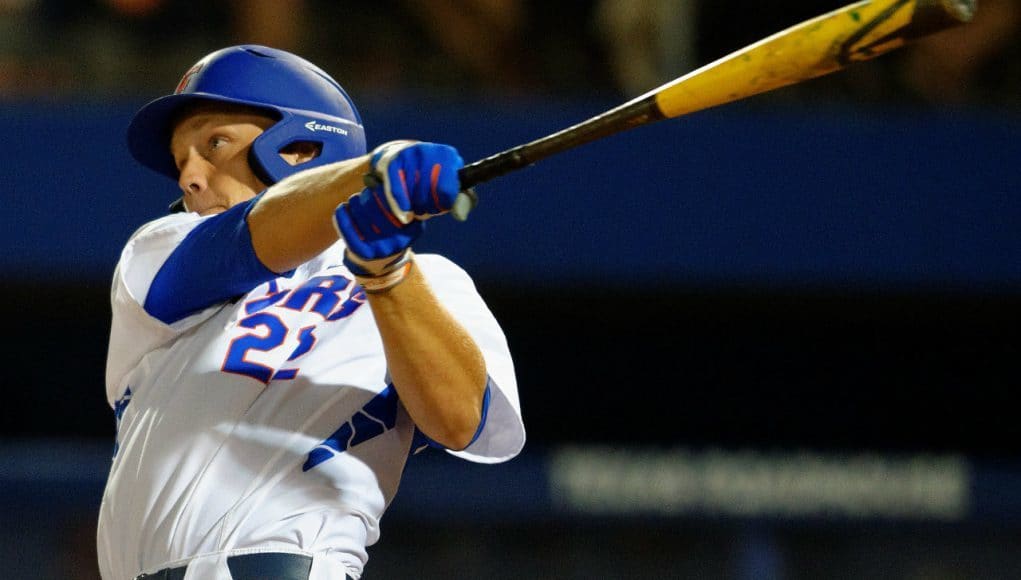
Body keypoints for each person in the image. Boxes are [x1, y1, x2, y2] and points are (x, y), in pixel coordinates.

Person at [97, 44, 525, 580]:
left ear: (300, 147)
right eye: (182, 160)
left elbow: (463, 422)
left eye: (215, 143)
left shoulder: (431, 281)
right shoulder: (160, 250)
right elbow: (250, 240)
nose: (190, 177)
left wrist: (387, 275)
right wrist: (371, 175)